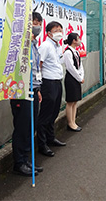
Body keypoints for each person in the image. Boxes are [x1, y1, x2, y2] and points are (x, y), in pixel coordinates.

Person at [10, 11, 43, 176]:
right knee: (22, 128)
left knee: (31, 127)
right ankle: (19, 163)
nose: (36, 26)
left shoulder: (34, 45)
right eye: (33, 22)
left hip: (33, 91)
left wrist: (37, 90)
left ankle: (27, 160)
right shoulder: (18, 44)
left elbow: (35, 69)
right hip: (21, 92)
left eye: (38, 23)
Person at [37, 21, 66, 157]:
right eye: (56, 30)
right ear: (49, 33)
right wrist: (39, 84)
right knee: (45, 114)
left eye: (61, 30)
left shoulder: (57, 46)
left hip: (57, 81)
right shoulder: (45, 46)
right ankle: (42, 145)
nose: (59, 33)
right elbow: (39, 65)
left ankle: (51, 138)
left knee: (54, 112)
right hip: (48, 83)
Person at [63, 33, 85, 132]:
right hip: (71, 79)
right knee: (70, 101)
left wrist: (81, 76)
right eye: (78, 39)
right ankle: (70, 123)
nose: (80, 40)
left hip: (76, 78)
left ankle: (73, 121)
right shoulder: (68, 52)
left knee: (75, 101)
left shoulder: (76, 52)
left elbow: (80, 66)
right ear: (74, 41)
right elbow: (70, 68)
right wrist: (79, 78)